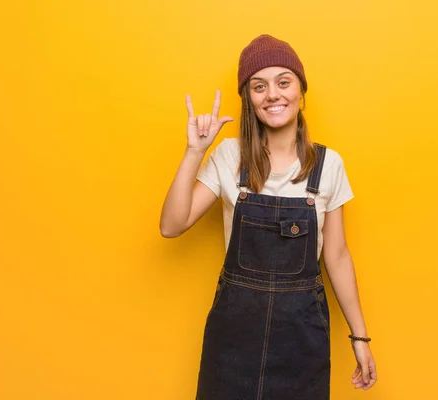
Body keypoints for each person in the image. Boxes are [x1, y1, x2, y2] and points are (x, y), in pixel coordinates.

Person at [160, 34, 377, 399]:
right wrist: (194, 151)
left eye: (283, 82)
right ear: (248, 99)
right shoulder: (230, 157)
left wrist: (360, 337)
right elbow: (171, 225)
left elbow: (337, 257)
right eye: (259, 86)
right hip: (234, 337)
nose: (273, 94)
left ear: (300, 91)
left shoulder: (328, 165)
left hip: (301, 341)